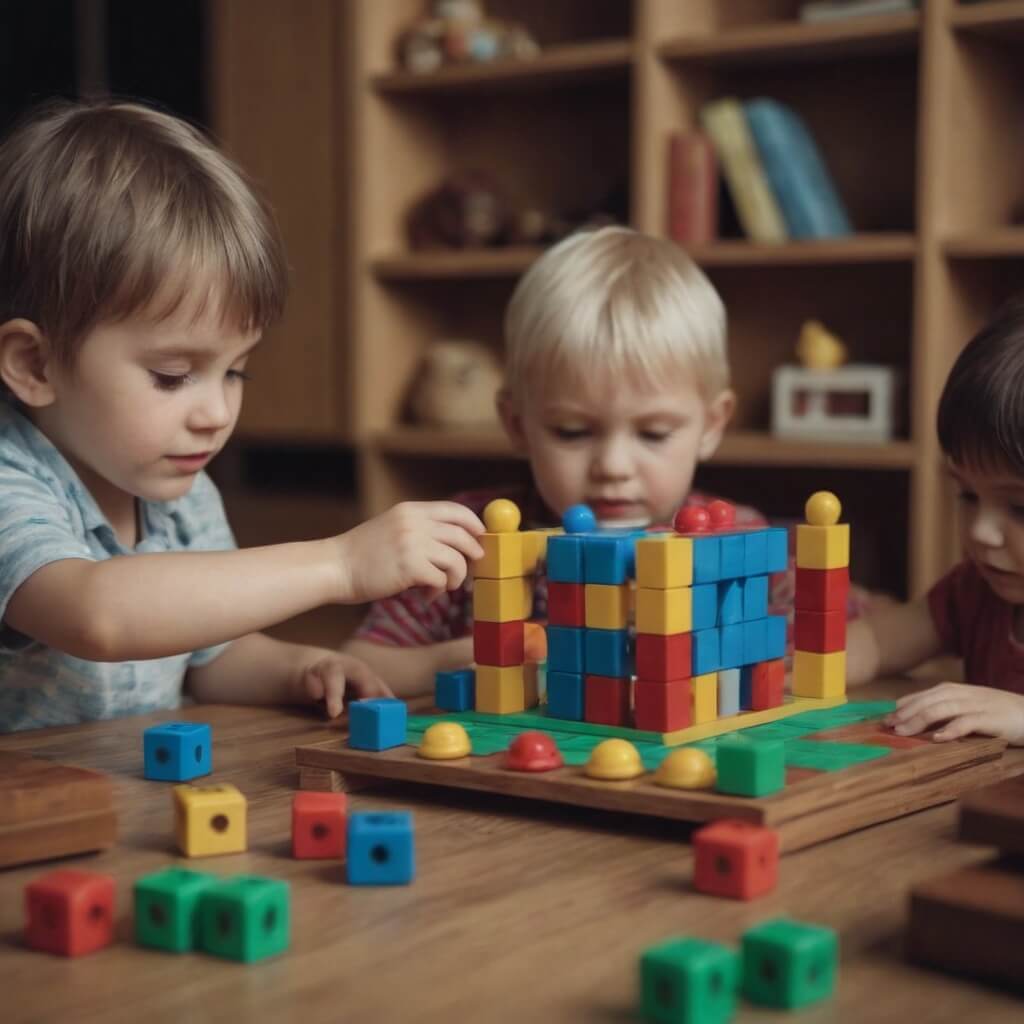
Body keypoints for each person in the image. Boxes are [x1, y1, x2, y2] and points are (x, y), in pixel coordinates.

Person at [0, 100, 483, 732]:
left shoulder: (183, 493)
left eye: (235, 371)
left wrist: (299, 667)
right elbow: (99, 614)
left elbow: (210, 656)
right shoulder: (12, 481)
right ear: (35, 366)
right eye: (173, 376)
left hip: (126, 796)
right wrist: (339, 564)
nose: (217, 412)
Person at [344, 226, 871, 694]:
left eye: (654, 433)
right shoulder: (469, 542)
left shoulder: (739, 541)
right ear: (515, 424)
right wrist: (469, 657)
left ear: (712, 425)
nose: (614, 466)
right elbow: (362, 661)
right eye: (573, 432)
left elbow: (856, 635)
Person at [848, 294, 1024, 745]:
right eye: (967, 494)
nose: (980, 533)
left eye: (1019, 508)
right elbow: (879, 641)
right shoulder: (974, 591)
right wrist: (789, 669)